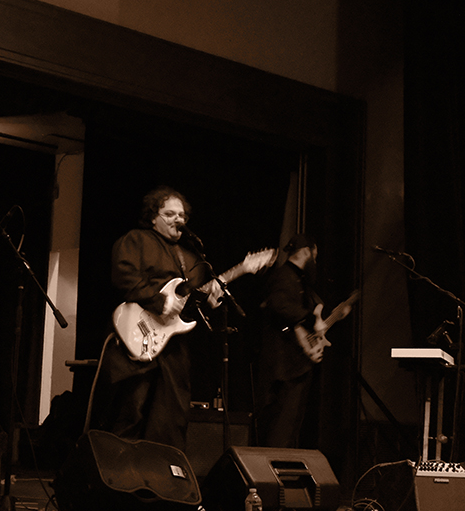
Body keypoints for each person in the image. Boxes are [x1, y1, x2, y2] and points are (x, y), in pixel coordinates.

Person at [89, 186, 269, 452]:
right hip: (134, 335)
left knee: (170, 417)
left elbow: (192, 302)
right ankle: (118, 469)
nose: (178, 219)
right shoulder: (136, 240)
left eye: (182, 215)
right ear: (153, 217)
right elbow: (124, 276)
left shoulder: (191, 257)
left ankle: (161, 470)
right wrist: (160, 300)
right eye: (170, 214)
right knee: (131, 411)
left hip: (172, 346)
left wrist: (212, 296)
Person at [254, 233, 325, 449]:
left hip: (295, 364)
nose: (315, 261)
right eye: (314, 256)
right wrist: (309, 318)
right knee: (282, 424)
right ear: (306, 252)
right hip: (284, 365)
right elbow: (279, 305)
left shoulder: (299, 280)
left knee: (290, 425)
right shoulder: (284, 276)